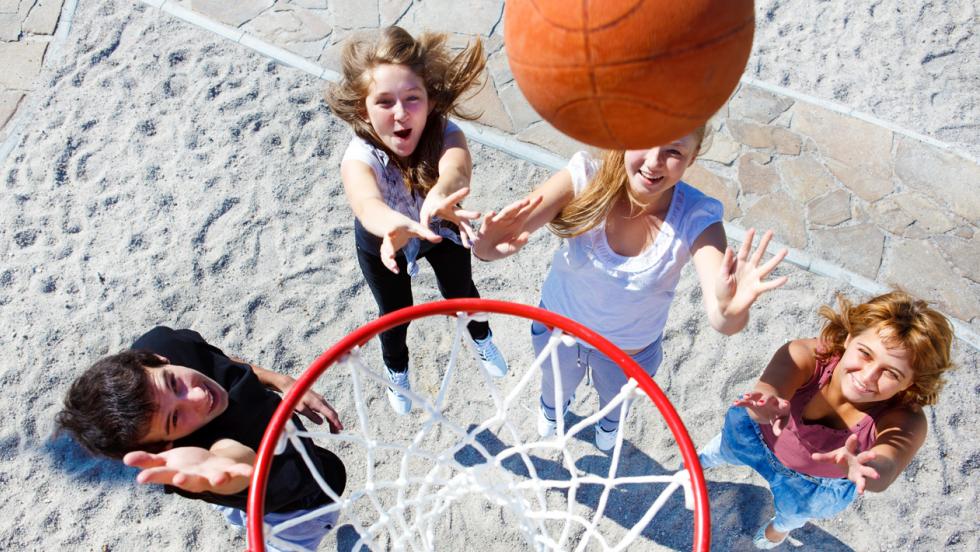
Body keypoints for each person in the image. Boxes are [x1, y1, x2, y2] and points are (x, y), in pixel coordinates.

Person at [472, 127, 788, 452]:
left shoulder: (696, 216)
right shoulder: (585, 176)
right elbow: (498, 241)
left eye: (674, 152)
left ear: (693, 157)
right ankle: (553, 411)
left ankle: (608, 425)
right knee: (554, 385)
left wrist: (731, 310)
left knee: (615, 402)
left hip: (627, 355)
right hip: (557, 332)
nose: (654, 162)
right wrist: (486, 247)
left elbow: (723, 318)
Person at [325, 26, 507, 415]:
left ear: (430, 101)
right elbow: (365, 200)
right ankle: (397, 370)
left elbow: (456, 169)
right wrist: (390, 222)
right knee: (394, 314)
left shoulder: (446, 132)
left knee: (461, 290)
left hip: (438, 225)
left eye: (412, 99)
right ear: (363, 109)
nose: (401, 113)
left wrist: (442, 194)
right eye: (385, 102)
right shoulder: (359, 156)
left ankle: (481, 336)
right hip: (385, 240)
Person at [698, 291, 955, 549]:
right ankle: (703, 460)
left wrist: (867, 469)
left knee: (792, 515)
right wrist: (764, 408)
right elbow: (765, 397)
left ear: (911, 382)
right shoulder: (807, 355)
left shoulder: (906, 419)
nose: (868, 376)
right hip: (756, 439)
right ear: (851, 337)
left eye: (891, 372)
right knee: (723, 449)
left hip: (811, 485)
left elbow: (887, 466)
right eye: (866, 353)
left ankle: (778, 530)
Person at [56, 326, 347, 552]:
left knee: (236, 511)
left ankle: (237, 514)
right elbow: (236, 460)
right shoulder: (191, 464)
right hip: (293, 512)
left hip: (287, 467)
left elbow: (218, 361)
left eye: (173, 382)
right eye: (174, 419)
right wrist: (218, 466)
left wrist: (282, 382)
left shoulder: (165, 346)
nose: (198, 397)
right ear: (163, 446)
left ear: (158, 359)